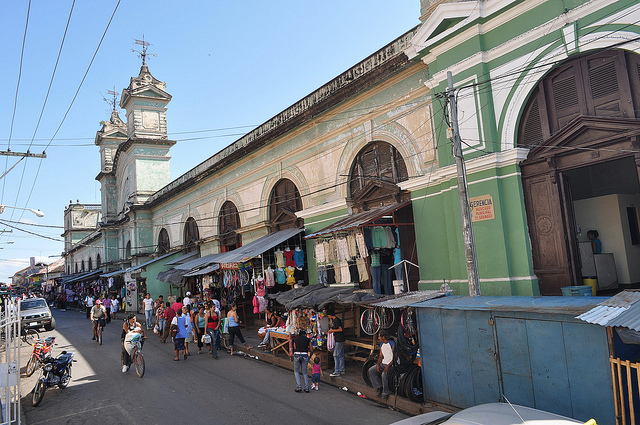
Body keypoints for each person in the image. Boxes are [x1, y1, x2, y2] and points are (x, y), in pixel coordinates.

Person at [368, 332, 395, 399]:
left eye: (379, 336)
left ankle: (386, 391)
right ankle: (379, 387)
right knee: (371, 370)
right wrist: (378, 364)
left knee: (384, 374)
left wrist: (387, 367)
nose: (378, 338)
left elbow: (395, 358)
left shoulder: (392, 344)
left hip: (391, 365)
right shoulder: (382, 344)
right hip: (384, 363)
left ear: (383, 337)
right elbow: (380, 356)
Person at [326, 308, 345, 377]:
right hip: (340, 339)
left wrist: (332, 330)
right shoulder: (335, 320)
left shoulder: (336, 320)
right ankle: (342, 369)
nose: (328, 317)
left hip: (339, 339)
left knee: (336, 355)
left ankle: (337, 371)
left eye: (328, 316)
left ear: (330, 315)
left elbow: (340, 329)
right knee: (341, 355)